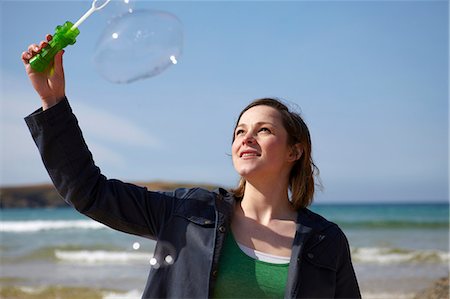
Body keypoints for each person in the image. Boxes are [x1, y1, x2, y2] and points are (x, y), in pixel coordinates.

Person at [21, 35, 361, 299]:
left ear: (295, 152)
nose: (247, 138)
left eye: (265, 130)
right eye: (240, 131)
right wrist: (52, 102)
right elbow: (89, 192)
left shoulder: (325, 242)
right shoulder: (187, 213)